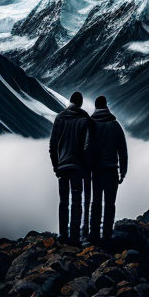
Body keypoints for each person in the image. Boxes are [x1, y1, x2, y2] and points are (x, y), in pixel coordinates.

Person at [49, 91, 91, 244]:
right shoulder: (85, 118)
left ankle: (62, 235)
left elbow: (53, 145)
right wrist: (86, 166)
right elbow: (88, 145)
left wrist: (56, 166)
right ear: (79, 103)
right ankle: (74, 237)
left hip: (63, 166)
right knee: (76, 201)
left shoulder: (60, 118)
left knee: (63, 202)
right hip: (78, 167)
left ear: (70, 102)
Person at [85, 95, 128, 244]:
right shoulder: (115, 125)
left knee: (96, 203)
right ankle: (107, 236)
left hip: (96, 171)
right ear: (106, 106)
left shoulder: (91, 124)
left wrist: (87, 168)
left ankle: (94, 236)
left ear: (96, 107)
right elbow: (122, 150)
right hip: (112, 170)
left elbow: (87, 147)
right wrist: (123, 171)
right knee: (110, 205)